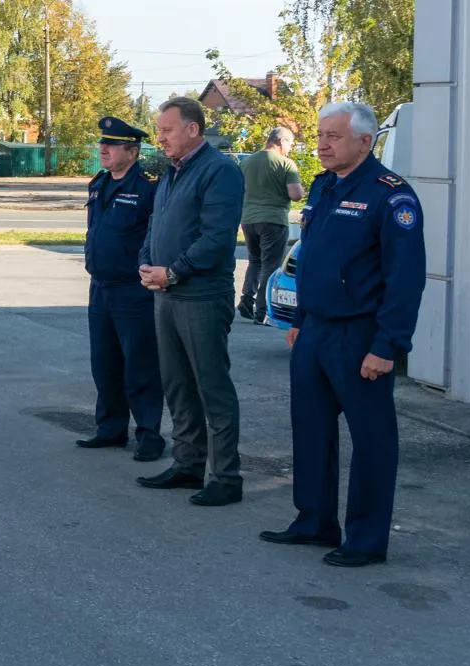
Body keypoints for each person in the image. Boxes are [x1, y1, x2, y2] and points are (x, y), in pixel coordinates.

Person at [261, 102, 425, 568]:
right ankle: (314, 520)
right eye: (319, 135)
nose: (322, 144)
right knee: (310, 429)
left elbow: (405, 278)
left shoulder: (391, 196)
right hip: (314, 329)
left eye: (333, 136)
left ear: (366, 142)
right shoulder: (324, 187)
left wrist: (387, 345)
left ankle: (367, 538)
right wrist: (299, 321)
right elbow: (312, 257)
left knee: (372, 438)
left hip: (361, 335)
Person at [135, 96, 247, 507]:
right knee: (177, 384)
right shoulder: (172, 173)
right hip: (165, 292)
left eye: (166, 130)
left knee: (211, 386)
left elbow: (217, 238)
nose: (159, 138)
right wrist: (147, 263)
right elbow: (155, 225)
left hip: (200, 295)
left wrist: (175, 270)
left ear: (192, 129)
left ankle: (225, 476)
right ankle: (188, 463)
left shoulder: (219, 172)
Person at [76, 116, 165, 461]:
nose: (103, 150)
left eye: (111, 145)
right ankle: (110, 429)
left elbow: (154, 237)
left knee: (140, 364)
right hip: (100, 287)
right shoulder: (98, 184)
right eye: (102, 144)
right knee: (105, 362)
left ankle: (149, 435)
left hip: (133, 289)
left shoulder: (147, 187)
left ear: (132, 150)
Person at [236, 126, 305, 324]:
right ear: (281, 141)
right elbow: (296, 194)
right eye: (290, 143)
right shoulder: (286, 164)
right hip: (273, 219)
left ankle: (246, 299)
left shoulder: (247, 162)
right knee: (271, 265)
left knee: (255, 261)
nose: (290, 148)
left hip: (248, 219)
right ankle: (262, 310)